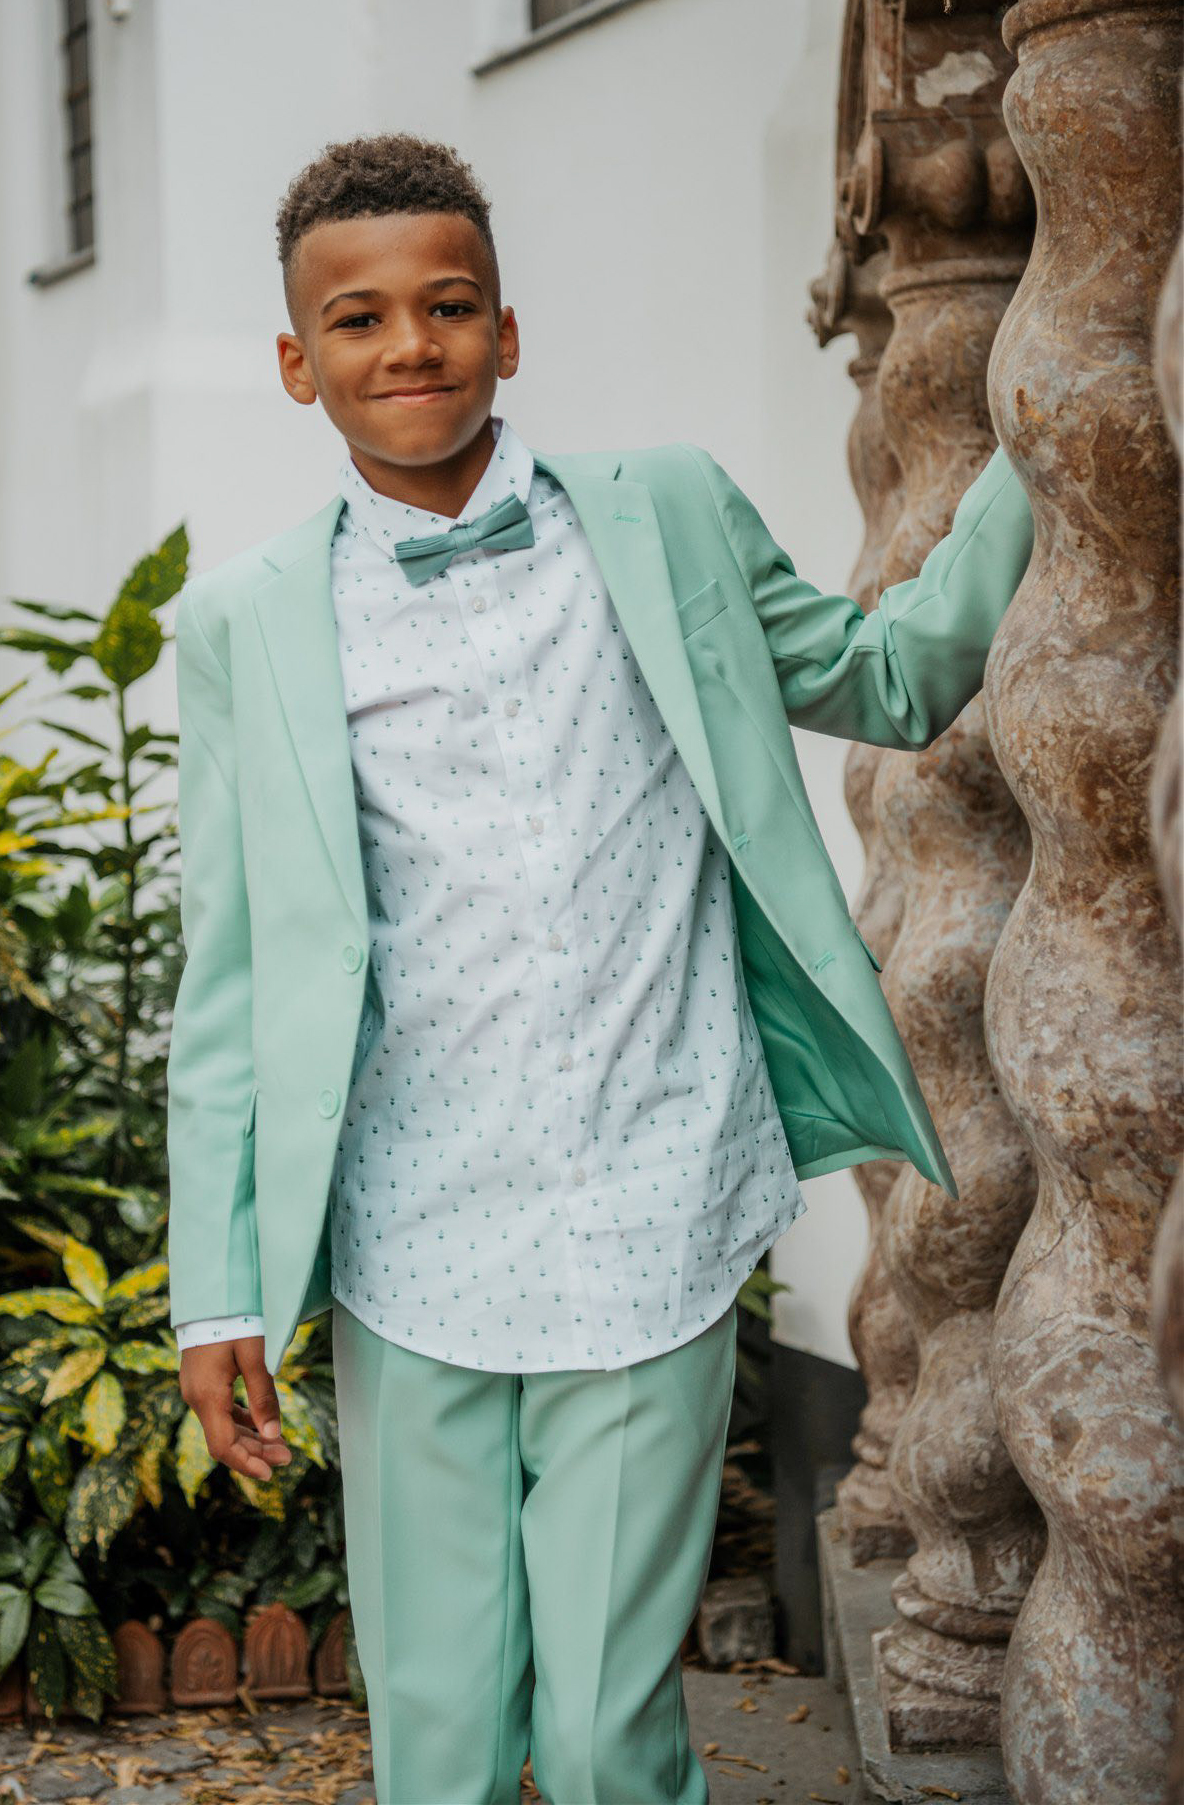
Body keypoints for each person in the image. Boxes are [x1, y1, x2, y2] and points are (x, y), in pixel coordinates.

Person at [166, 132, 1035, 1805]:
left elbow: (893, 681)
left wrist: (1038, 430)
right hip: (409, 1229)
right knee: (435, 1736)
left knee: (600, 1741)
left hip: (651, 1200)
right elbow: (235, 975)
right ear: (296, 363)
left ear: (506, 332)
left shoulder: (665, 515)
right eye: (356, 319)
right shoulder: (245, 621)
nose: (407, 345)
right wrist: (218, 1293)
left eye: (446, 306)